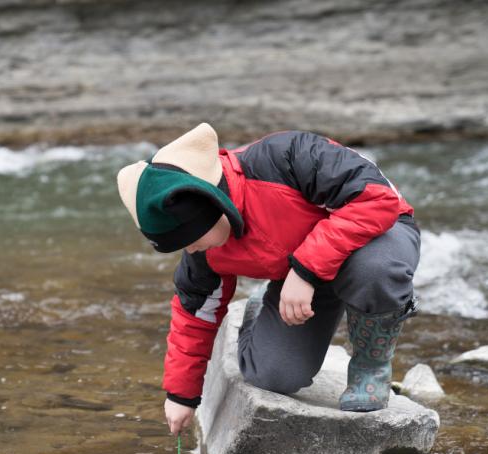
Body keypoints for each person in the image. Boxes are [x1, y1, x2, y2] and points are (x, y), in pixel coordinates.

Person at [116, 123, 420, 436]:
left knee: (376, 271)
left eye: (189, 238)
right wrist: (181, 395)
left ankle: (371, 368)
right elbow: (194, 315)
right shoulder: (203, 252)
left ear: (213, 207)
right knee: (273, 375)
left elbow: (376, 200)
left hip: (376, 235)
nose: (190, 249)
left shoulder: (286, 156)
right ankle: (261, 311)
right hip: (302, 275)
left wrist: (304, 271)